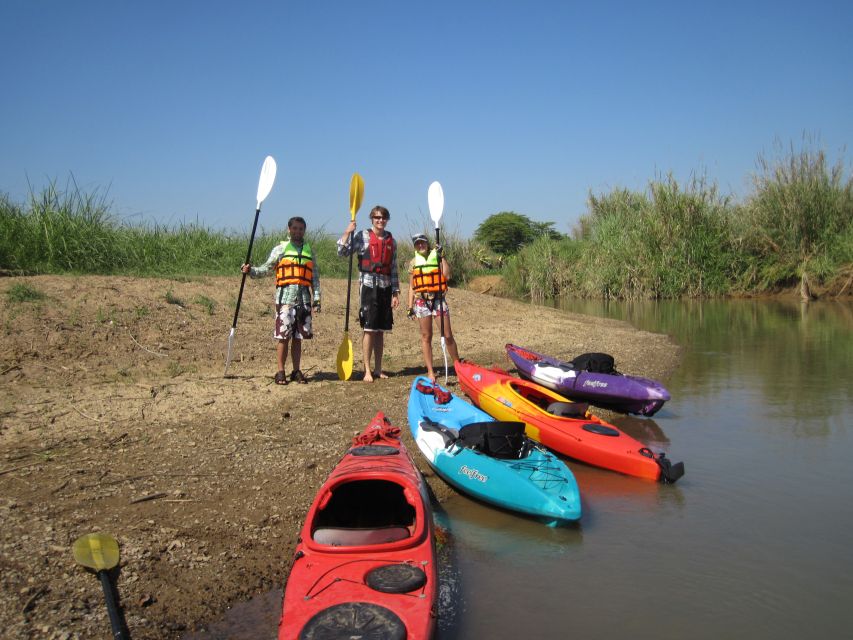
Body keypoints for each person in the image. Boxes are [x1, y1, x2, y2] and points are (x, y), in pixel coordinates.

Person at [241, 216, 320, 385]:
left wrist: (317, 298)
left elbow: (315, 278)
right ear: (289, 229)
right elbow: (266, 268)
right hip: (285, 300)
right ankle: (280, 371)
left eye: (301, 229)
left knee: (298, 338)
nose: (298, 231)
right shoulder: (280, 250)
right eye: (295, 228)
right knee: (283, 337)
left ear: (304, 231)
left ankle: (296, 371)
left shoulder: (309, 251)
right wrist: (250, 270)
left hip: (304, 299)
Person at [337, 205, 400, 382]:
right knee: (369, 329)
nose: (380, 220)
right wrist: (347, 233)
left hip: (386, 287)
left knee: (381, 331)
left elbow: (393, 268)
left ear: (387, 219)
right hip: (368, 286)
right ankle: (367, 370)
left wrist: (395, 292)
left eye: (383, 217)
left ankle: (378, 369)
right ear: (371, 219)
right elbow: (342, 252)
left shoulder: (391, 241)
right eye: (377, 217)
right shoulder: (362, 236)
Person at [406, 233, 460, 381]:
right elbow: (411, 286)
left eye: (422, 242)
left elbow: (447, 276)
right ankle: (430, 371)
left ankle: (458, 367)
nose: (420, 245)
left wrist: (442, 257)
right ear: (415, 246)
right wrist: (409, 306)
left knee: (447, 335)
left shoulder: (437, 257)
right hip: (421, 302)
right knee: (426, 336)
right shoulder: (413, 262)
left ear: (427, 243)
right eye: (417, 243)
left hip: (438, 299)